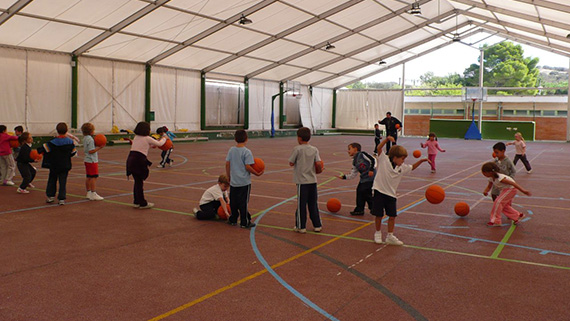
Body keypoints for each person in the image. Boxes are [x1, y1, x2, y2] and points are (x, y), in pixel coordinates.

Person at [372, 136, 430, 245]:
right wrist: (386, 140)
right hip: (379, 191)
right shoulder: (384, 160)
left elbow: (412, 167)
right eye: (402, 158)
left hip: (391, 195)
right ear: (394, 157)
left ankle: (390, 235)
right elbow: (379, 148)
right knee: (379, 215)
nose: (403, 161)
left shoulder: (401, 167)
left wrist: (421, 161)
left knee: (392, 216)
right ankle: (378, 233)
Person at [289, 127, 323, 233]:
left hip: (302, 182)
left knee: (301, 205)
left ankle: (301, 226)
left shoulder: (297, 149)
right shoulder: (314, 149)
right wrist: (319, 169)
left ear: (299, 138)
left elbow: (291, 162)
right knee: (313, 204)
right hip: (313, 180)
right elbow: (318, 163)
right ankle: (317, 225)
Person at [226, 129, 263, 228]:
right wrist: (257, 174)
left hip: (234, 182)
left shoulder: (231, 150)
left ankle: (233, 219)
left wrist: (228, 176)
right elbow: (248, 166)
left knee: (233, 202)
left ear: (235, 139)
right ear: (246, 139)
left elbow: (227, 164)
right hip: (244, 182)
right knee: (243, 203)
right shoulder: (247, 152)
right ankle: (244, 221)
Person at [126, 121, 166, 209]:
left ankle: (136, 201)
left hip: (131, 159)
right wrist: (164, 138)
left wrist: (151, 146)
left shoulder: (136, 137)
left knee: (137, 182)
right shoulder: (147, 138)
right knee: (139, 182)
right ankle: (142, 203)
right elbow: (160, 144)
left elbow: (142, 145)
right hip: (139, 161)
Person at [38, 122, 77, 205]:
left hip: (54, 165)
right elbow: (73, 153)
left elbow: (43, 149)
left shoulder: (52, 143)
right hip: (65, 165)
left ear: (57, 130)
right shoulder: (70, 142)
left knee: (52, 180)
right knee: (63, 181)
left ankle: (50, 197)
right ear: (66, 131)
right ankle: (61, 198)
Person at [481, 162, 530, 226]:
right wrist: (486, 191)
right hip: (505, 190)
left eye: (484, 172)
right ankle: (517, 215)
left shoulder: (500, 178)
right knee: (503, 206)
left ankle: (496, 221)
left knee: (498, 202)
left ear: (489, 172)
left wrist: (523, 190)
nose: (483, 174)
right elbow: (489, 186)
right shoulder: (491, 178)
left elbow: (513, 183)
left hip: (511, 189)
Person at [339, 142, 375, 216]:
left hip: (370, 177)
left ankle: (372, 208)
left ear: (355, 149)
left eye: (349, 149)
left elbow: (372, 160)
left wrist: (371, 169)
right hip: (363, 179)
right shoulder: (354, 161)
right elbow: (353, 174)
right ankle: (361, 209)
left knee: (364, 192)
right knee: (362, 192)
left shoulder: (362, 154)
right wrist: (344, 177)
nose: (348, 151)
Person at [81, 123, 104, 201]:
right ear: (91, 131)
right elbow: (91, 151)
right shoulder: (90, 139)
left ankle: (89, 192)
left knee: (88, 177)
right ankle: (93, 193)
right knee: (94, 177)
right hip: (92, 160)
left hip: (87, 160)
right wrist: (100, 147)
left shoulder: (85, 138)